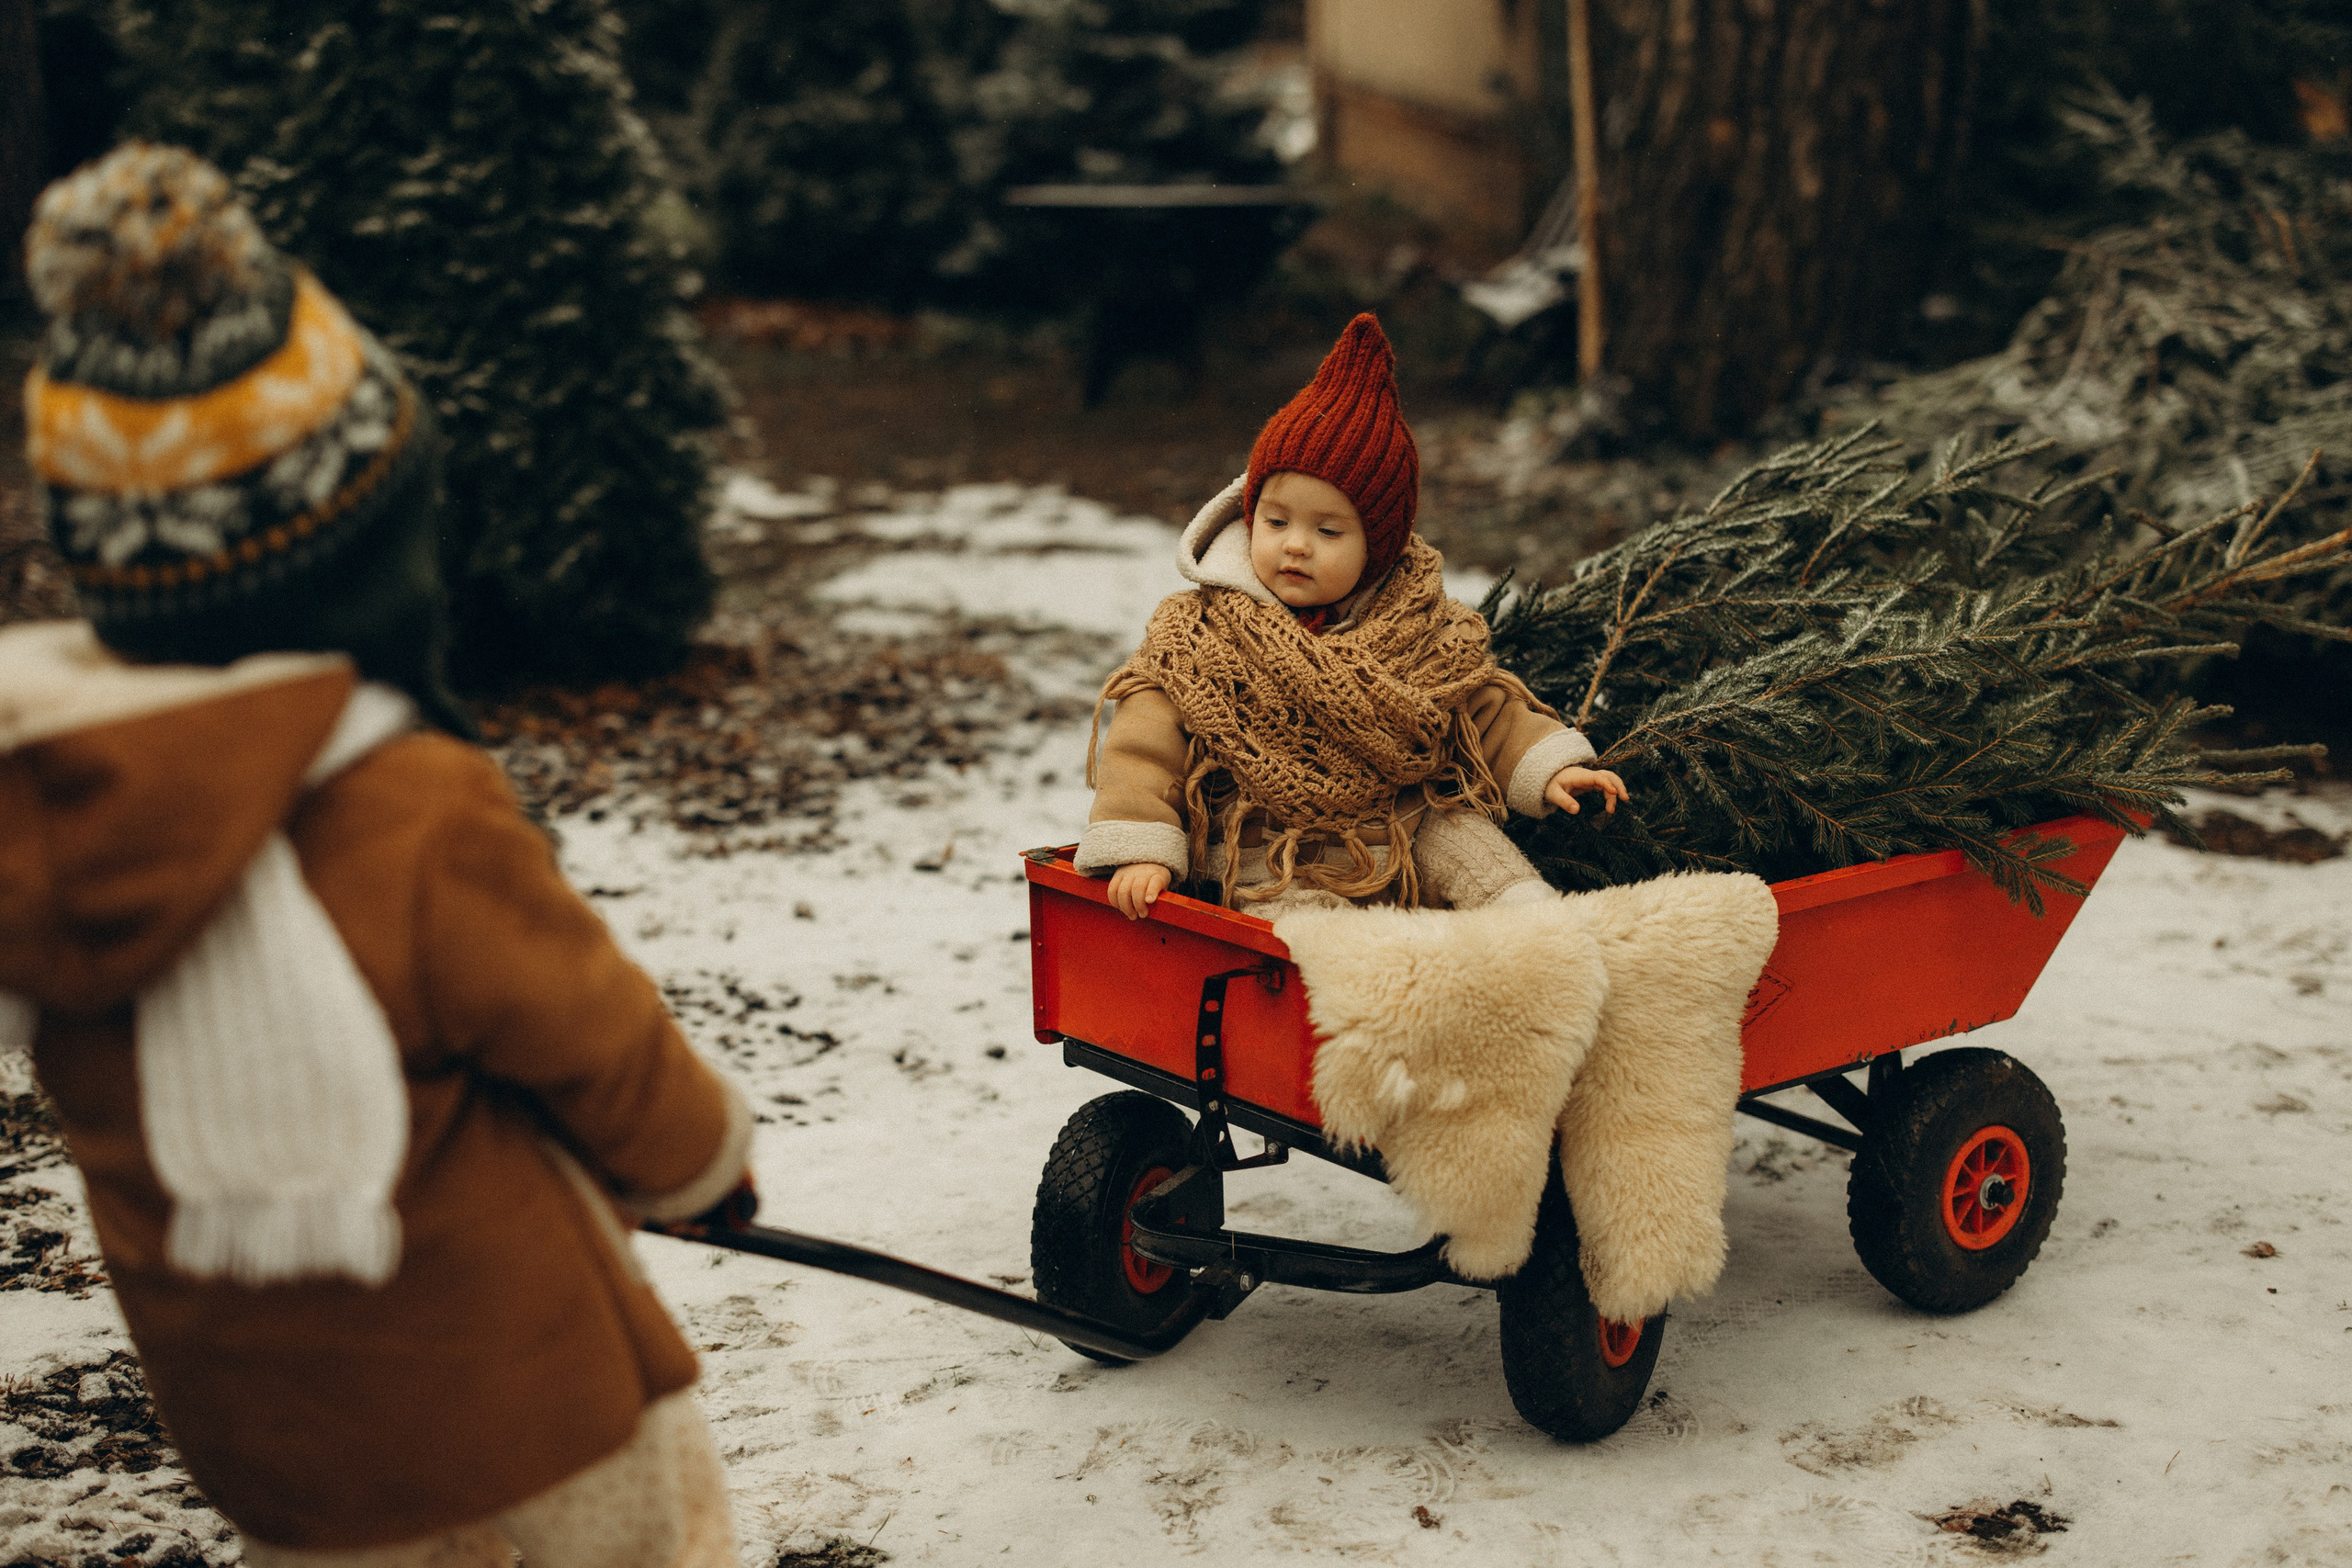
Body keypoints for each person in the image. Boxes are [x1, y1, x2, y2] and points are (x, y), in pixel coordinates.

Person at [0, 144, 747, 1567]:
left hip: (276, 1452)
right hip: (525, 1397)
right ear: (359, 548)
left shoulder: (56, 821)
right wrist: (704, 1160)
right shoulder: (401, 805)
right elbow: (596, 1040)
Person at [1081, 312, 1625, 919]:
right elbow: (1142, 746)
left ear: (1379, 549)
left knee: (1473, 844)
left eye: (1328, 530)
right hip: (1268, 844)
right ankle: (1360, 965)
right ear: (1249, 513)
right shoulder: (1201, 635)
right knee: (1300, 914)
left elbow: (1484, 708)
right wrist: (1142, 845)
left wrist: (1552, 766)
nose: (1295, 545)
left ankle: (1536, 930)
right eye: (1277, 520)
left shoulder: (1421, 630)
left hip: (1397, 827)